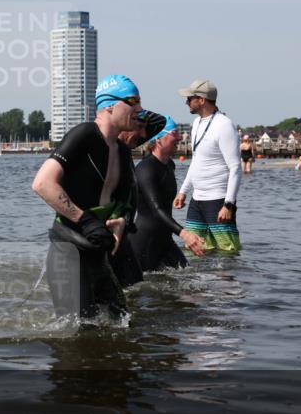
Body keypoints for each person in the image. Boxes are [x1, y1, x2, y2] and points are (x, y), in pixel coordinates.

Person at [31, 74, 144, 319]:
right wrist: (85, 220)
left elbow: (125, 201)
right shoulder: (84, 135)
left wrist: (122, 222)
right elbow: (42, 183)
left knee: (121, 325)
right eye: (133, 101)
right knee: (76, 338)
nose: (139, 109)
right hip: (69, 249)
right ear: (110, 105)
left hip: (99, 252)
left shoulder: (123, 152)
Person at [112, 117, 207, 287]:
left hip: (164, 240)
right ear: (158, 139)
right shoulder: (146, 168)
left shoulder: (169, 165)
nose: (178, 138)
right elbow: (156, 210)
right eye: (174, 134)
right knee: (136, 290)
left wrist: (180, 195)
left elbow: (163, 202)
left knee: (192, 282)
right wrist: (184, 233)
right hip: (145, 241)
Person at [173, 79, 242, 253]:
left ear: (202, 100)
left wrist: (229, 204)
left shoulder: (224, 125)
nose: (186, 101)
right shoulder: (196, 124)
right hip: (197, 200)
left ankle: (226, 281)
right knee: (194, 250)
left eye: (190, 98)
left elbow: (235, 167)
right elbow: (196, 161)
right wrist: (183, 191)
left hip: (218, 200)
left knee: (228, 251)